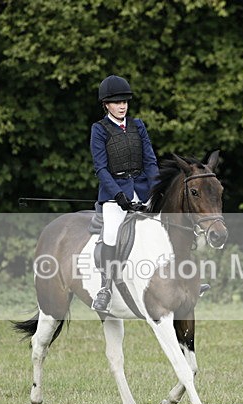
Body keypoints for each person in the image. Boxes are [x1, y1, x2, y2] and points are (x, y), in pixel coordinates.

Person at [90, 75, 159, 312]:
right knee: (111, 233)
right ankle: (105, 287)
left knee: (168, 224)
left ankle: (182, 281)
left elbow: (150, 161)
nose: (122, 106)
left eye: (125, 102)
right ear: (106, 104)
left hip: (141, 190)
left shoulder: (138, 125)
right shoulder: (99, 130)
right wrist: (119, 196)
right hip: (114, 196)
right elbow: (100, 168)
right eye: (117, 102)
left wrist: (155, 190)